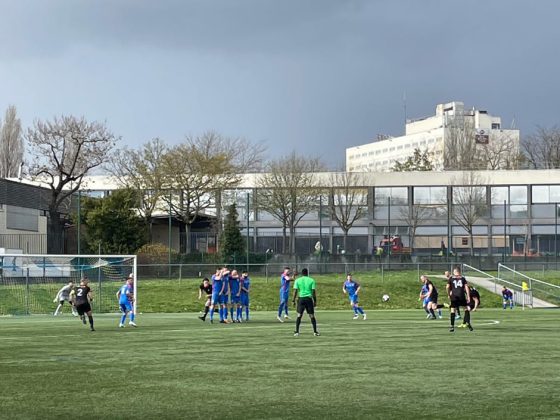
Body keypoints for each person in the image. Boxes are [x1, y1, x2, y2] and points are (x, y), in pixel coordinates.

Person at [292, 268, 319, 337]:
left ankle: (297, 332)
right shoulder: (311, 280)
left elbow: (295, 291)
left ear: (301, 273)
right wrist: (315, 301)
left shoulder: (297, 280)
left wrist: (293, 300)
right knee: (311, 315)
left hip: (301, 299)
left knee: (299, 315)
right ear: (307, 273)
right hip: (308, 299)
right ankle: (315, 332)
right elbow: (313, 292)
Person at [446, 267, 473, 332]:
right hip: (461, 296)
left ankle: (452, 326)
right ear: (459, 272)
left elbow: (447, 287)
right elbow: (466, 288)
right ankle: (468, 323)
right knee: (466, 309)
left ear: (454, 272)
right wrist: (468, 296)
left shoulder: (451, 278)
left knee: (453, 310)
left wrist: (449, 294)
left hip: (454, 296)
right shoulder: (463, 278)